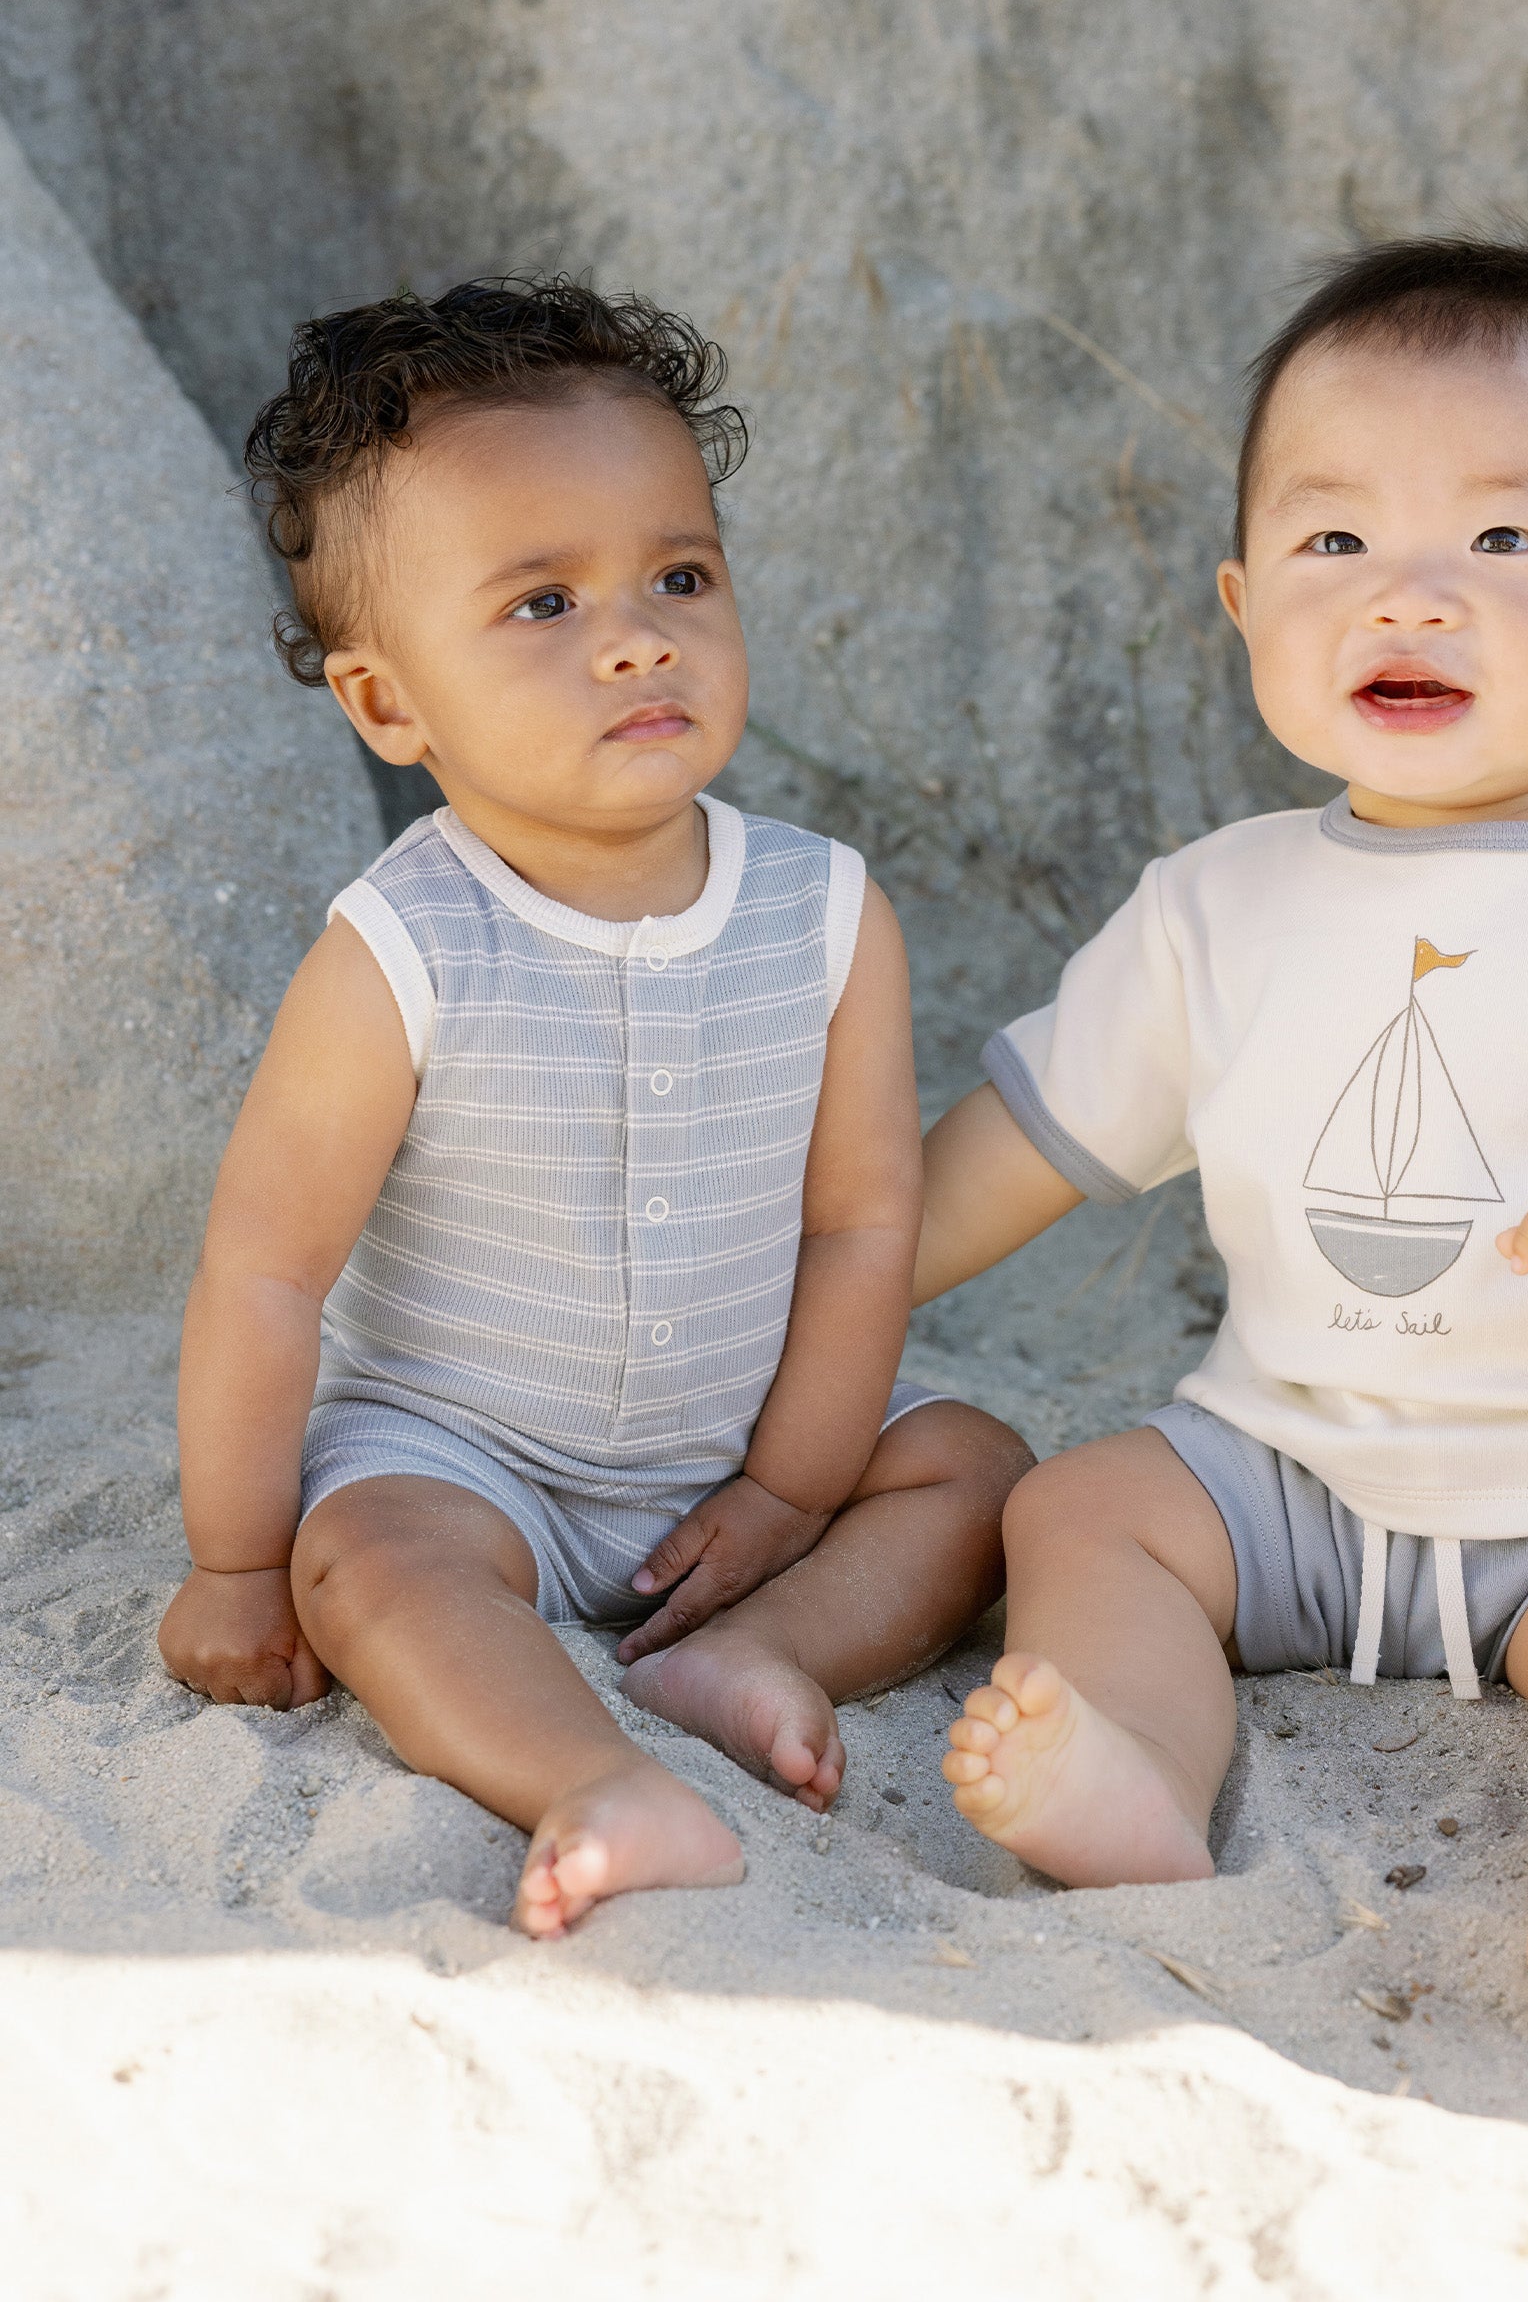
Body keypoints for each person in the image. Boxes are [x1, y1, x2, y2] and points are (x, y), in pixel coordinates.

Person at [916, 237, 1528, 2001]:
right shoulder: (1219, 905)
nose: (1408, 596)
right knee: (1083, 1514)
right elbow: (1021, 1144)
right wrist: (838, 1272)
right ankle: (1129, 1765)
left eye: (1503, 541)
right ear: (1241, 607)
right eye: (1335, 540)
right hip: (1292, 1468)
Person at [158, 277, 1029, 1937]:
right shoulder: (400, 951)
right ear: (388, 705)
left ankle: (746, 1653)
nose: (638, 636)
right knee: (373, 1571)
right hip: (467, 1453)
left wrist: (786, 1492)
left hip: (740, 1444)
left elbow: (860, 1225)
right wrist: (234, 1562)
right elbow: (262, 1274)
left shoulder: (825, 913)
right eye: (542, 603)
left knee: (980, 1473)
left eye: (679, 576)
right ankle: (590, 1779)